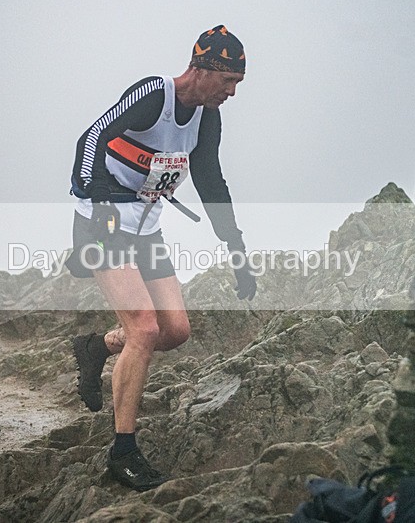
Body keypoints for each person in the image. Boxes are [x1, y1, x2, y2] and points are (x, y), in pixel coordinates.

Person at [65, 25, 257, 491]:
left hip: (145, 229)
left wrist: (236, 249)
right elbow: (90, 139)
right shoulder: (155, 94)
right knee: (145, 329)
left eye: (237, 84)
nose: (232, 92)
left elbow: (211, 181)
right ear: (203, 68)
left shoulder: (207, 117)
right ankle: (123, 451)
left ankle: (97, 348)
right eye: (228, 80)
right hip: (103, 223)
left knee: (174, 331)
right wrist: (98, 204)